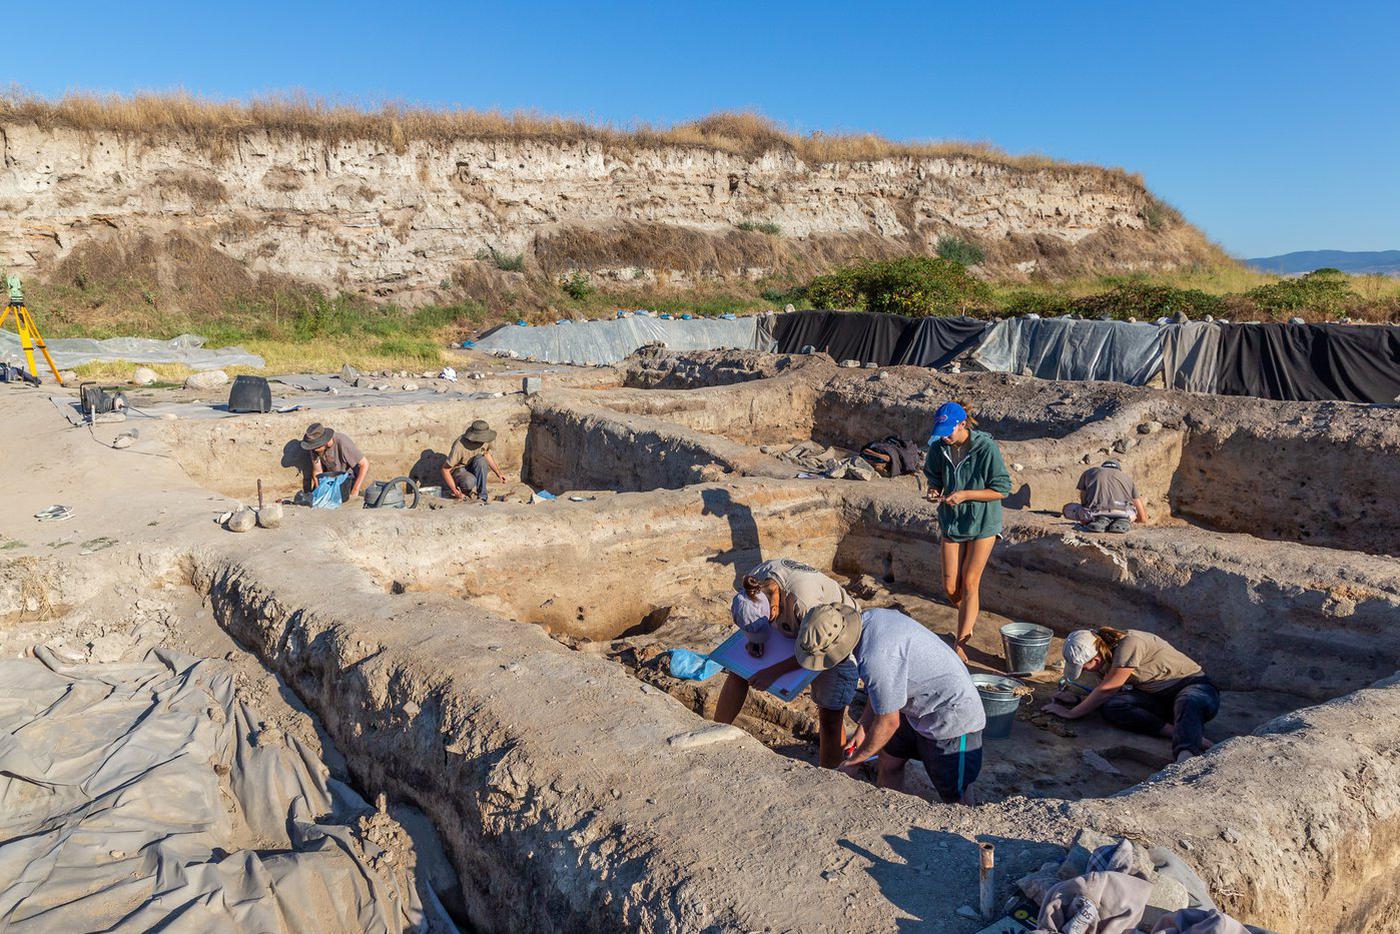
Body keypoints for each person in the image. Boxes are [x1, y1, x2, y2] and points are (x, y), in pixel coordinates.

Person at [798, 603, 986, 804]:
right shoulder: (869, 621)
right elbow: (882, 690)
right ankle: (888, 810)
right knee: (889, 762)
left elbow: (889, 722)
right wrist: (863, 726)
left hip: (952, 717)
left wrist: (855, 761)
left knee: (956, 796)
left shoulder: (876, 657)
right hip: (914, 707)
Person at [713, 558, 859, 768]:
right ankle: (714, 731)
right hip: (801, 626)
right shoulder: (755, 585)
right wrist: (755, 641)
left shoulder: (804, 603)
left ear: (774, 613)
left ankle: (832, 775)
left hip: (835, 633)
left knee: (830, 713)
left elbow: (815, 651)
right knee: (740, 670)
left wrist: (773, 672)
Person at [1042, 627, 1220, 763]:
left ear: (1095, 659)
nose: (1086, 671)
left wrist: (1071, 713)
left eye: (1084, 667)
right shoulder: (1104, 655)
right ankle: (1180, 731)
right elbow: (1112, 693)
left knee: (1188, 700)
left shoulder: (1130, 643)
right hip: (1158, 699)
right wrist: (1077, 700)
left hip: (1196, 688)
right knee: (1112, 706)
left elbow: (1108, 689)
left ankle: (1186, 754)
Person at [921, 402, 1012, 661]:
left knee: (971, 581)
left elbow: (1002, 489)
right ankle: (969, 613)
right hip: (952, 521)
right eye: (942, 432)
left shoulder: (986, 448)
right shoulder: (939, 447)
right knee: (951, 586)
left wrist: (966, 495)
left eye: (949, 431)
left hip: (983, 521)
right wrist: (933, 491)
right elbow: (934, 478)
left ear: (963, 424)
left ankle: (961, 644)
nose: (945, 437)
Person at [1063, 459, 1148, 533]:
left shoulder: (1089, 472)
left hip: (1095, 512)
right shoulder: (1127, 478)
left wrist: (1085, 519)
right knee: (1130, 512)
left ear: (1102, 467)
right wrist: (1132, 520)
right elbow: (1143, 518)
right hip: (1124, 513)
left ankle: (1102, 519)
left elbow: (1084, 501)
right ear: (1118, 470)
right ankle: (1121, 520)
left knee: (1068, 508)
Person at [301, 423, 368, 502]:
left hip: (347, 479)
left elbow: (364, 464)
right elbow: (317, 471)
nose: (314, 450)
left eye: (316, 447)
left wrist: (355, 490)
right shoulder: (314, 448)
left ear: (324, 442)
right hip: (330, 479)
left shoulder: (343, 442)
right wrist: (319, 491)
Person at [442, 420, 506, 501]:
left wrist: (499, 474)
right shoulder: (459, 446)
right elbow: (445, 470)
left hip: (473, 466)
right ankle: (465, 491)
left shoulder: (485, 440)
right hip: (460, 469)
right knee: (470, 481)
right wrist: (456, 492)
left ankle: (482, 496)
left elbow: (486, 454)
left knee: (482, 460)